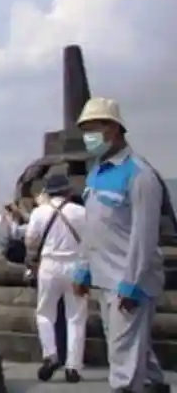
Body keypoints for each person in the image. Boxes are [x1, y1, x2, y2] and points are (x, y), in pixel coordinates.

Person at [72, 96, 169, 393]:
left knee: (122, 364)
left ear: (113, 129)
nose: (88, 136)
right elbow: (93, 227)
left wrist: (131, 284)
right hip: (105, 279)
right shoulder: (97, 174)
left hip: (129, 281)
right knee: (132, 350)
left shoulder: (140, 176)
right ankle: (155, 386)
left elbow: (144, 236)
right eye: (84, 129)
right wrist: (83, 269)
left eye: (94, 127)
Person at [20, 173, 88, 383]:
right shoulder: (82, 212)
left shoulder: (40, 212)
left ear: (48, 193)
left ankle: (50, 355)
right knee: (75, 317)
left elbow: (30, 241)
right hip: (76, 266)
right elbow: (92, 240)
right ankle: (73, 366)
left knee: (45, 313)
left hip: (49, 265)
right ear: (68, 192)